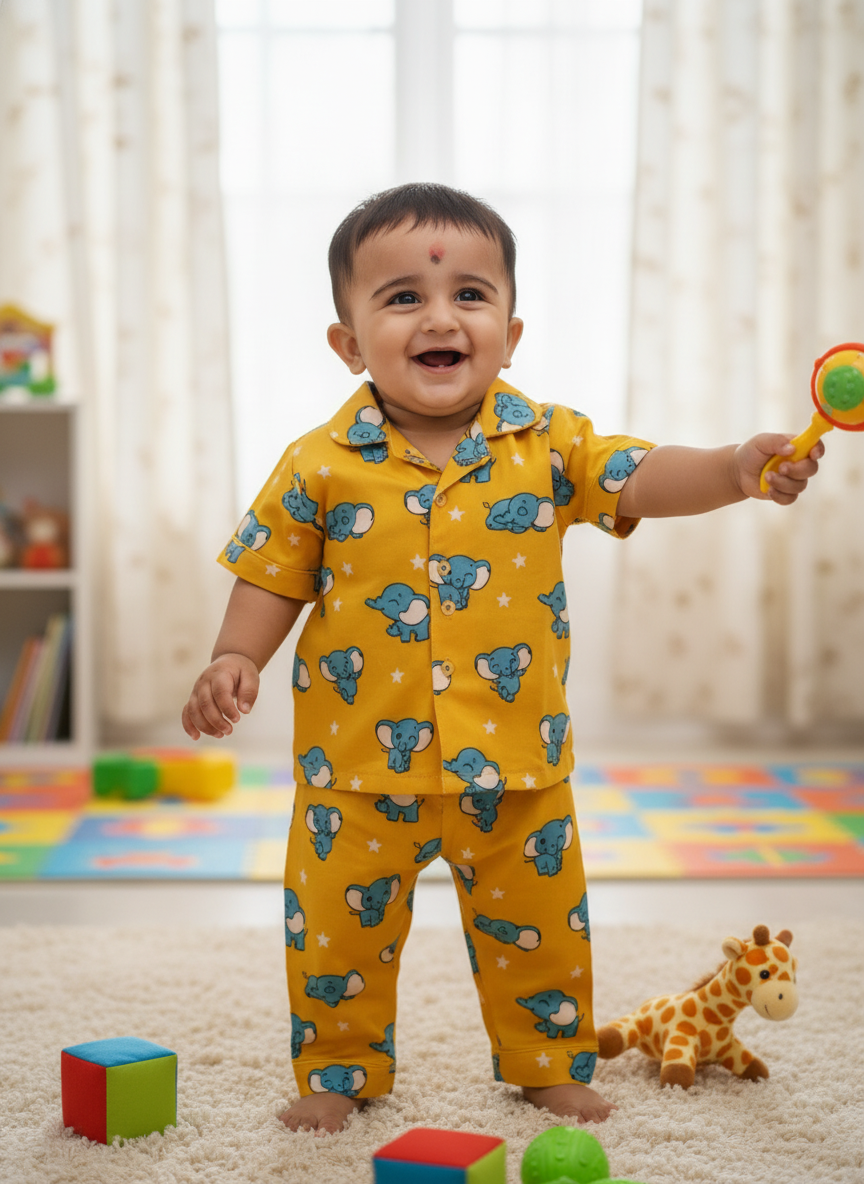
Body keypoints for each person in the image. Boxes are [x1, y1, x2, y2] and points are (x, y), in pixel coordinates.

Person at [181, 182, 822, 1134]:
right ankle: (338, 1069)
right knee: (335, 935)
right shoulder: (318, 464)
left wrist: (732, 468)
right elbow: (273, 576)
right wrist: (235, 656)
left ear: (510, 334)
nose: (441, 317)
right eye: (403, 297)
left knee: (541, 928)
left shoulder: (549, 444)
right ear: (349, 343)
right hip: (357, 770)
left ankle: (547, 1060)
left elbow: (641, 474)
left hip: (517, 764)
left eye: (470, 295)